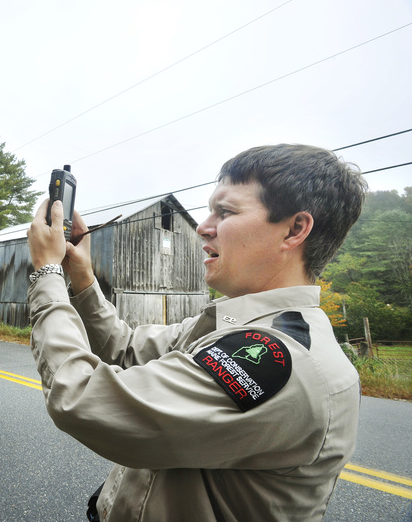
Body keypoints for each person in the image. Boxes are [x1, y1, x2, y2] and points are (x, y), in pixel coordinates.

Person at [26, 144, 367, 521]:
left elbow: (82, 399)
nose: (204, 226)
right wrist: (82, 278)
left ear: (295, 229)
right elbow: (124, 348)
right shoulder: (232, 326)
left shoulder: (279, 356)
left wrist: (47, 273)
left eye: (226, 211)